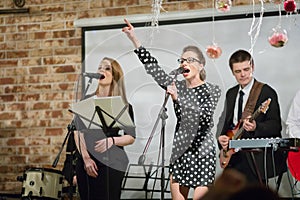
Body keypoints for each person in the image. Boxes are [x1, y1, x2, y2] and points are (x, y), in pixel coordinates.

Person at [122, 19, 221, 200]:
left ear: (201, 65)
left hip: (202, 152)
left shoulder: (212, 89)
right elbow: (153, 68)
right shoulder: (178, 85)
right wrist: (134, 39)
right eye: (182, 60)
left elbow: (203, 117)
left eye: (190, 60)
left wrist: (178, 99)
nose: (184, 63)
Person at [216, 49, 287, 185]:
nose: (243, 74)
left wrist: (256, 127)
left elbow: (275, 125)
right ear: (232, 72)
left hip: (254, 158)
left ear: (252, 67)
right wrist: (222, 138)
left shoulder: (266, 91)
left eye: (246, 69)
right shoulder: (231, 93)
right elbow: (225, 122)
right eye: (238, 71)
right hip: (233, 157)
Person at [73, 57, 136, 200]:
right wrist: (86, 158)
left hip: (113, 161)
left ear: (115, 76)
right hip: (88, 160)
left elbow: (130, 137)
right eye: (100, 67)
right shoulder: (86, 100)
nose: (101, 70)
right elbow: (77, 132)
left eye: (107, 68)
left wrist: (112, 141)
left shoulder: (124, 105)